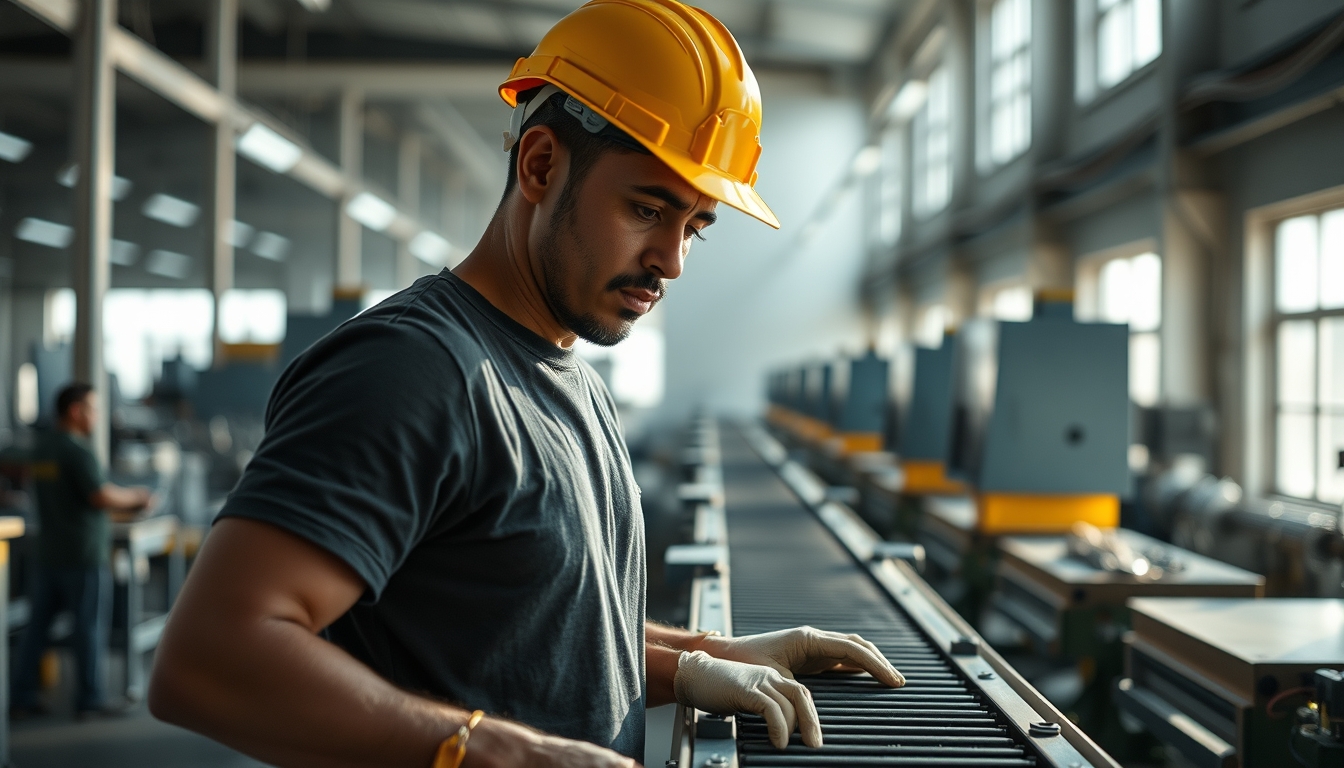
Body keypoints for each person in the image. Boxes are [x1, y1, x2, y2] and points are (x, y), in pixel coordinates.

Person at [148, 1, 905, 766]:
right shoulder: (410, 370)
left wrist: (703, 659)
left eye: (695, 226)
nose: (671, 261)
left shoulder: (569, 372)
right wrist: (500, 754)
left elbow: (535, 629)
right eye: (647, 208)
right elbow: (210, 660)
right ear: (540, 165)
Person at [12, 382, 154, 717]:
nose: (97, 416)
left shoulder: (43, 447)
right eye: (92, 408)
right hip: (82, 555)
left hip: (48, 555)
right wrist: (137, 497)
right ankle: (90, 698)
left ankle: (21, 696)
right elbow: (100, 496)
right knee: (88, 629)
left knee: (36, 630)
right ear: (75, 411)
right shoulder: (77, 451)